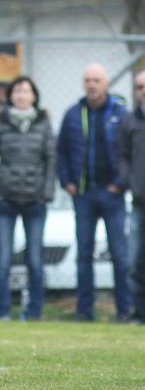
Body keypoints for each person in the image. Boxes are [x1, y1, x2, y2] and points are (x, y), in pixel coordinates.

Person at [57, 63, 131, 322]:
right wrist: (67, 181)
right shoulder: (73, 115)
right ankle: (84, 311)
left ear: (106, 83)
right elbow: (62, 151)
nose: (92, 84)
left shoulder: (120, 114)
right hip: (84, 196)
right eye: (88, 80)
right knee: (84, 254)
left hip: (113, 195)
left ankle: (125, 310)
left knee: (120, 255)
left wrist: (121, 183)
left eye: (97, 80)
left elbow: (129, 152)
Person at [0, 76, 55, 321]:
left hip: (35, 201)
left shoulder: (44, 124)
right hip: (6, 201)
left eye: (26, 91)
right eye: (17, 91)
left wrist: (46, 193)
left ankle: (33, 313)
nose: (22, 95)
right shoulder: (0, 122)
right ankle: (3, 313)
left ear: (34, 96)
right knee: (3, 259)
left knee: (34, 260)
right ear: (11, 96)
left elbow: (51, 160)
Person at [119, 69, 145, 322]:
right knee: (135, 261)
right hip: (139, 203)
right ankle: (139, 313)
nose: (143, 90)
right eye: (139, 86)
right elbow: (122, 156)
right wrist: (130, 182)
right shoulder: (130, 122)